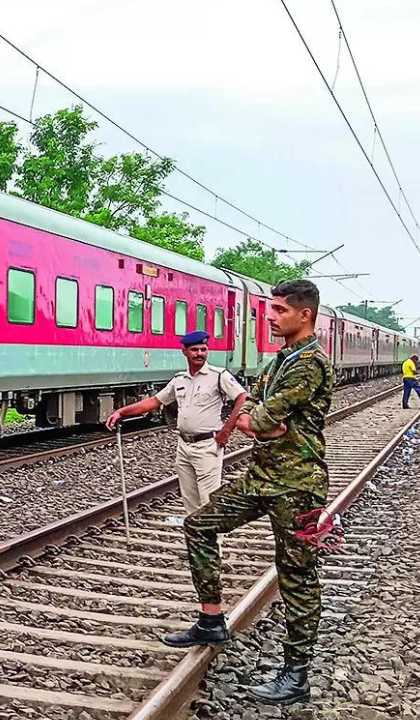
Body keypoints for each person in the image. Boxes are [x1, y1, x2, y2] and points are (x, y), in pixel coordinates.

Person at [162, 279, 333, 706]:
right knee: (198, 525)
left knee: (295, 574)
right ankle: (211, 618)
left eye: (278, 311)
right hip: (261, 478)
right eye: (271, 309)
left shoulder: (309, 363)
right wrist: (259, 420)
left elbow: (258, 421)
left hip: (298, 485)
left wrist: (259, 420)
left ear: (303, 314)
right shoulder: (280, 361)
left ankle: (296, 673)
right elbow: (250, 412)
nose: (270, 317)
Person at [106, 331, 248, 520]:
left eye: (203, 350)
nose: (199, 353)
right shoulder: (179, 380)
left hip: (208, 446)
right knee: (190, 501)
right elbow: (154, 402)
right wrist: (121, 412)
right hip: (184, 446)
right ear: (185, 352)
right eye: (195, 350)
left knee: (209, 502)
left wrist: (227, 431)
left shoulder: (218, 375)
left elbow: (242, 397)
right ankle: (194, 545)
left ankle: (213, 547)